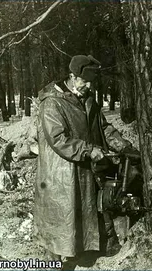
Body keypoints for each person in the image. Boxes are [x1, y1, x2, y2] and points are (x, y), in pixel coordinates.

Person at [33, 55, 134, 269]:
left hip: (83, 168)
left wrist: (124, 147)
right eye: (84, 81)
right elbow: (58, 139)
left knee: (81, 216)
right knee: (61, 220)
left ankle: (78, 256)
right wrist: (88, 150)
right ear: (72, 77)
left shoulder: (88, 100)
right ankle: (54, 263)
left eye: (91, 82)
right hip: (60, 174)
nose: (88, 86)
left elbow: (104, 128)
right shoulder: (52, 103)